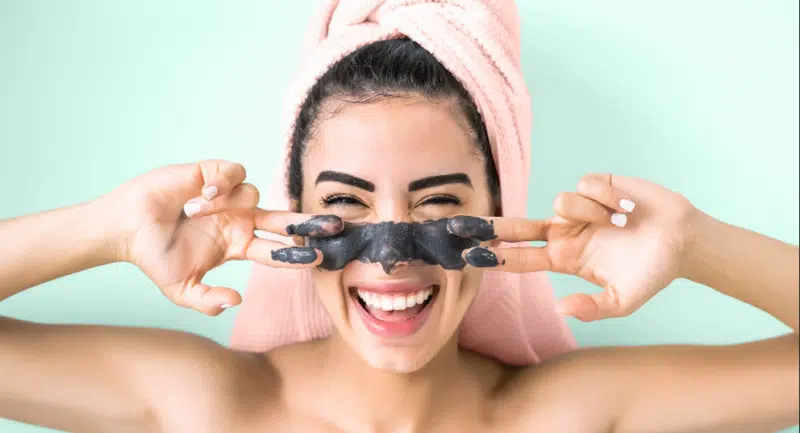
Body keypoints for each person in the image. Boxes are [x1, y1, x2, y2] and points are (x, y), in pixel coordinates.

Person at [2, 4, 798, 433]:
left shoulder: (569, 415)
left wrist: (698, 247)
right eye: (345, 206)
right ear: (291, 220)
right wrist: (107, 229)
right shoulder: (209, 409)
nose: (388, 259)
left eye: (440, 204)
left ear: (498, 213)